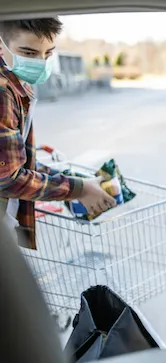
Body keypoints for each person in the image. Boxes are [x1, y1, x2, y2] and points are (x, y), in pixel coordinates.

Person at [0, 18, 116, 248]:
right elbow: (8, 179)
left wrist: (74, 184)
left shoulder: (17, 85)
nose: (40, 62)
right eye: (29, 53)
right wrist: (78, 189)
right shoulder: (3, 91)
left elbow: (17, 163)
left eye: (48, 53)